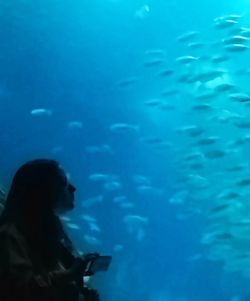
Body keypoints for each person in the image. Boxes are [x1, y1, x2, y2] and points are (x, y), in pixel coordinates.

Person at [0, 159, 100, 301]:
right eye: (63, 183)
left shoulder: (53, 232)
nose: (72, 188)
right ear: (42, 189)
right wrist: (69, 275)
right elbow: (16, 290)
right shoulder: (10, 236)